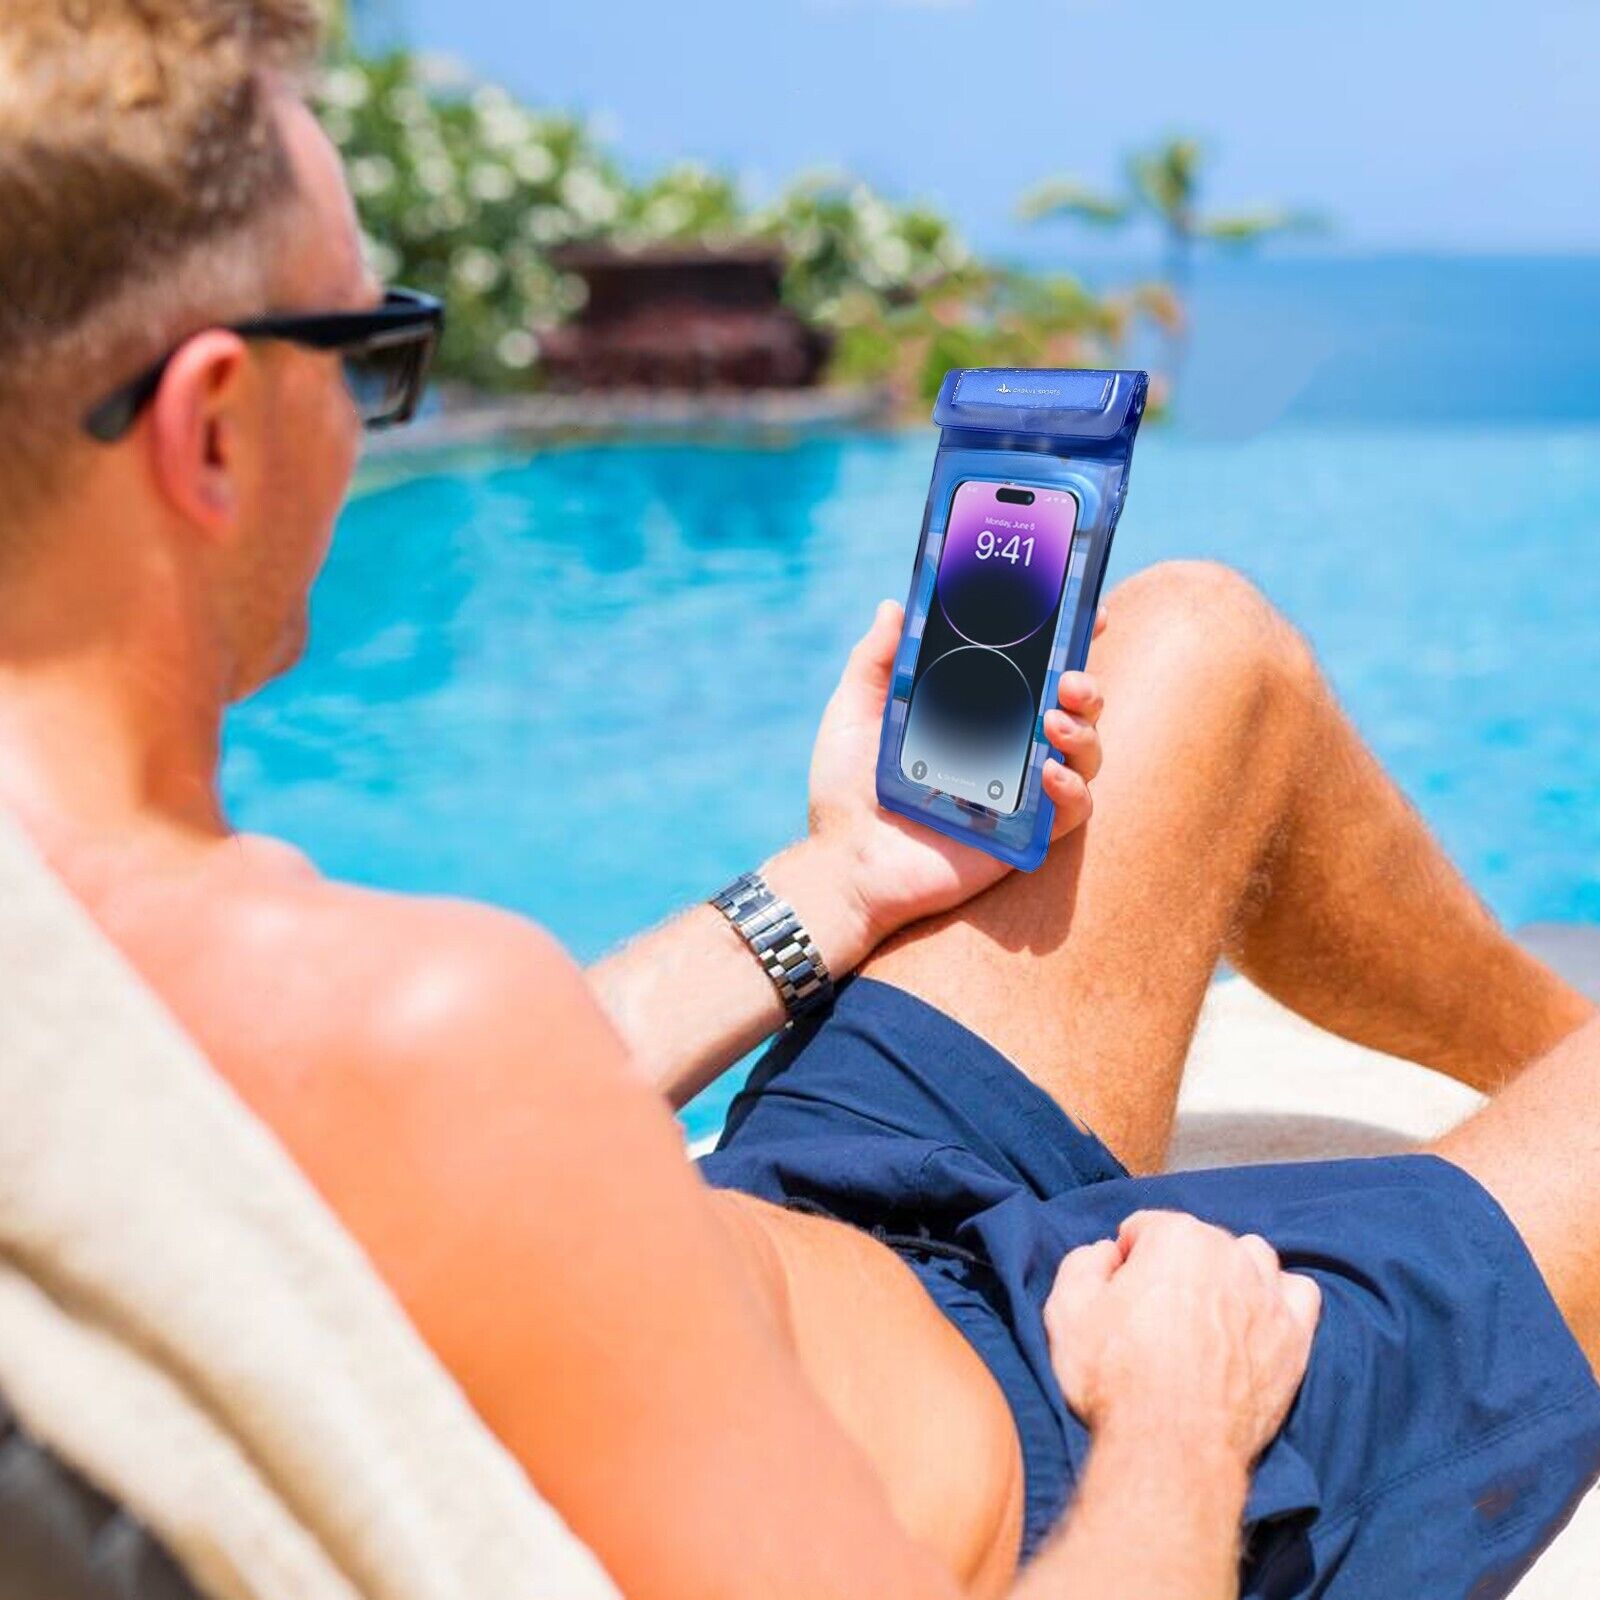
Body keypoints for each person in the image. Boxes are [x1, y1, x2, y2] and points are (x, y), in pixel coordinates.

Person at [1, 4, 1597, 1597]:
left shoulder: (82, 948)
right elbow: (451, 1088)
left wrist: (832, 883)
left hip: (769, 1248)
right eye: (368, 356)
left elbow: (430, 1153)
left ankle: (1554, 1062)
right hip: (1049, 1458)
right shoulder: (423, 1019)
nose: (363, 427)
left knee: (1197, 649)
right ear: (211, 426)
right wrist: (1182, 1404)